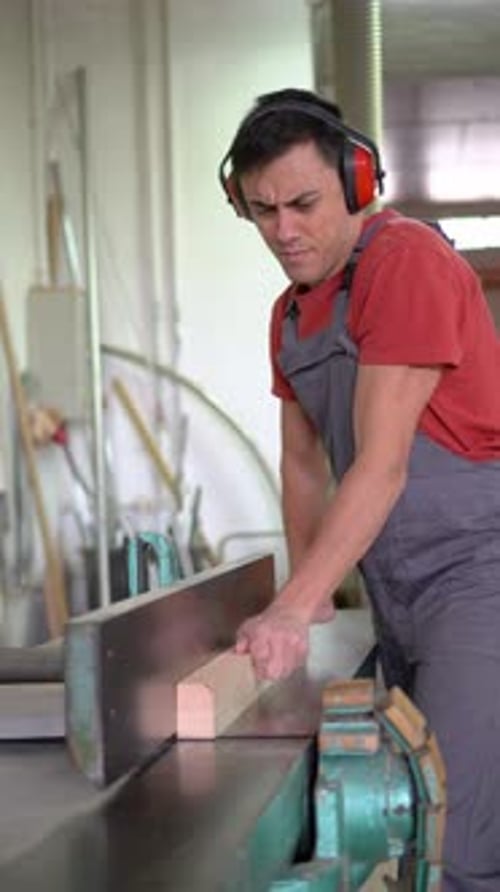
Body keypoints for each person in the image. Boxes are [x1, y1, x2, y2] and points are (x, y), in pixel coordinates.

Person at [219, 87, 500, 891]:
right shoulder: (288, 316)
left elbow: (381, 465)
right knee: (404, 822)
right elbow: (302, 467)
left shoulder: (405, 261)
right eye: (263, 209)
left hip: (478, 573)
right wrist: (304, 606)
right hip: (396, 590)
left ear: (357, 180)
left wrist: (294, 606)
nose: (284, 231)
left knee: (459, 838)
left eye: (304, 203)